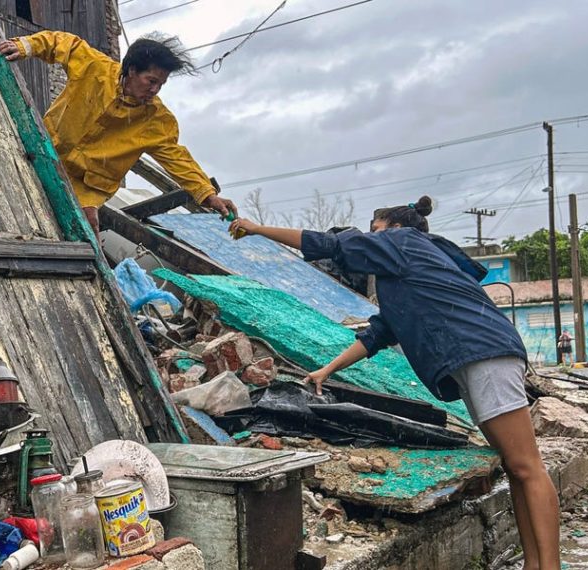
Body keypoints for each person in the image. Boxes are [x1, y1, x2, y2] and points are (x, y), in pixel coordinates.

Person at [230, 196, 561, 570]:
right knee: (517, 466)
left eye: (375, 231)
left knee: (527, 466)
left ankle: (548, 566)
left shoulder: (403, 243)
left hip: (481, 353)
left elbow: (332, 243)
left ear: (395, 228)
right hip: (474, 356)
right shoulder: (412, 272)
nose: (371, 241)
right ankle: (536, 564)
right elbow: (379, 333)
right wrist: (326, 371)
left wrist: (257, 229)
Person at [0, 31, 236, 234]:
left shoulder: (156, 120)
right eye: (150, 81)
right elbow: (62, 42)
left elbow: (178, 159)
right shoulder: (95, 68)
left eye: (160, 85)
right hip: (47, 148)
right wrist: (26, 46)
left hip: (87, 185)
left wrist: (207, 195)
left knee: (86, 228)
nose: (154, 90)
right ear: (131, 70)